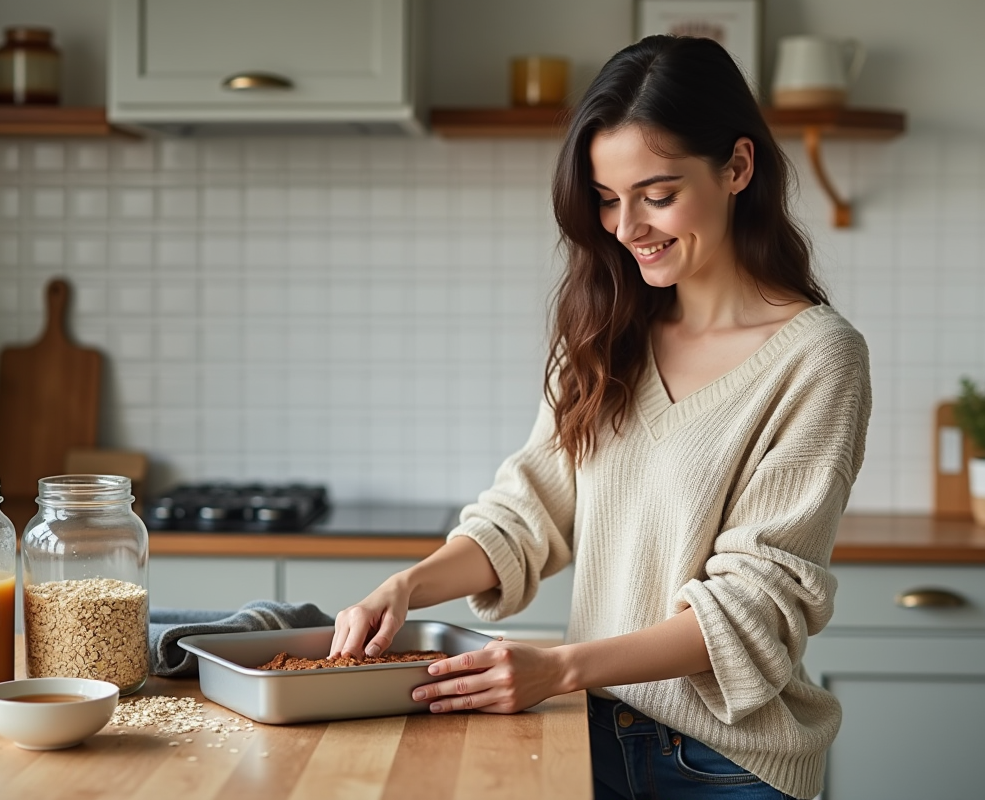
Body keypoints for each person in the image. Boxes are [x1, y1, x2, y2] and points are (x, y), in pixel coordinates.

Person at [331, 34, 871, 800]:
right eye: (609, 199)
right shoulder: (605, 327)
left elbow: (753, 605)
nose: (627, 228)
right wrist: (407, 587)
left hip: (727, 765)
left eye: (657, 194)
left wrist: (560, 666)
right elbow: (527, 515)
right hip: (584, 733)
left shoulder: (818, 358)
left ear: (738, 168)